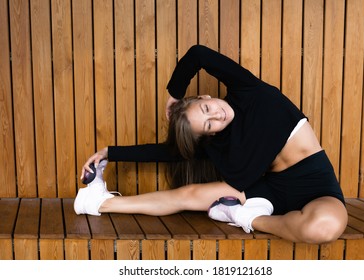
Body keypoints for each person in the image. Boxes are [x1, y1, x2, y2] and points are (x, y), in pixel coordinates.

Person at [74, 45, 347, 244]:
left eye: (207, 108)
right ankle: (97, 202)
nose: (216, 115)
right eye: (208, 124)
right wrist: (109, 152)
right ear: (208, 133)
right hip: (268, 191)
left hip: (314, 187)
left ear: (206, 95)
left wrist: (175, 94)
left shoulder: (249, 92)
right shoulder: (217, 142)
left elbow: (199, 54)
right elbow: (166, 153)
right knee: (188, 195)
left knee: (322, 228)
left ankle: (247, 218)